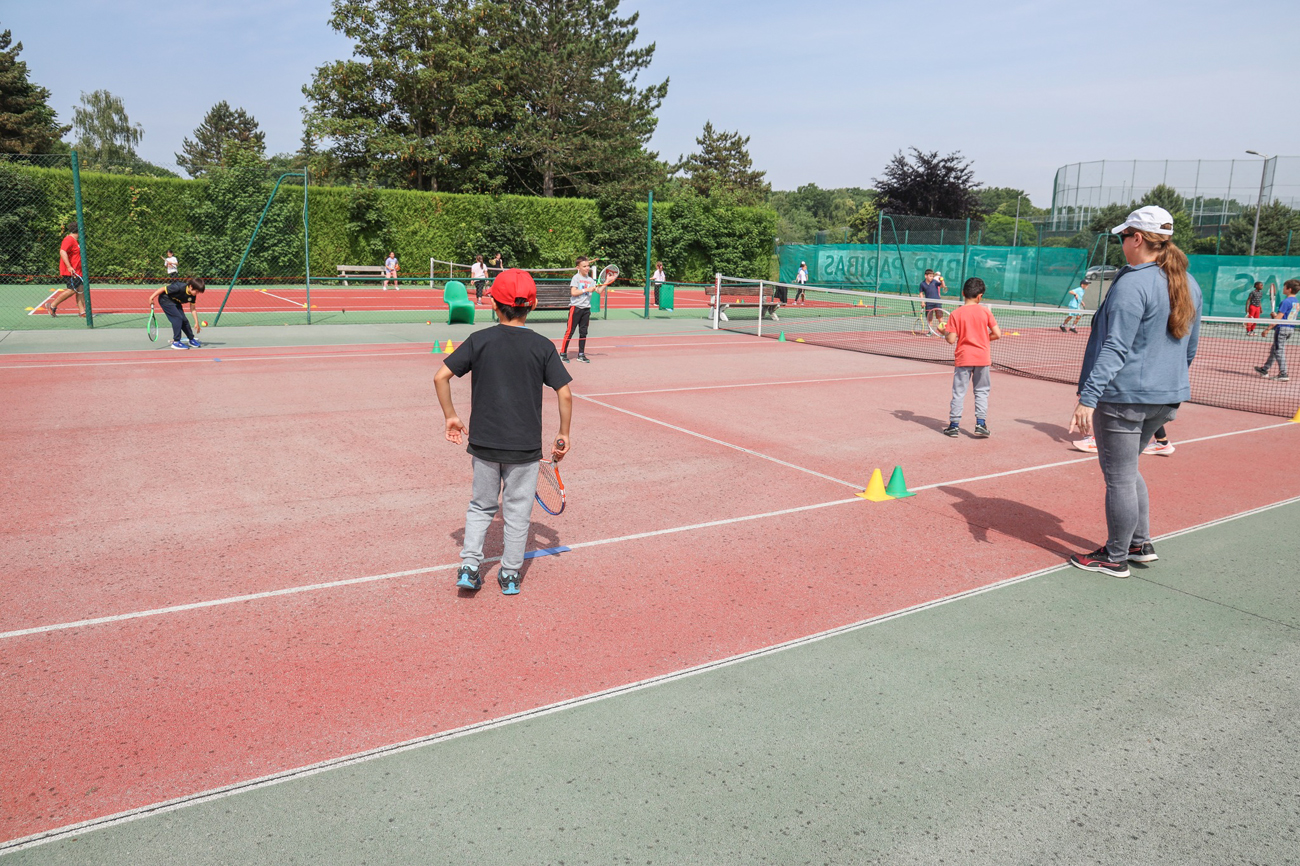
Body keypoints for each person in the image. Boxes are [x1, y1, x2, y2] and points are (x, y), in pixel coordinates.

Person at [1067, 205, 1202, 578]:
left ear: (1138, 239)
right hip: (1165, 397)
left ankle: (1115, 556)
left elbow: (1115, 347)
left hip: (1124, 397)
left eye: (1125, 236)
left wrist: (1088, 398)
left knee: (1119, 476)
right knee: (1128, 470)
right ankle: (1139, 543)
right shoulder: (1188, 282)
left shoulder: (1132, 282)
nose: (1122, 242)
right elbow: (1189, 347)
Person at [433, 269, 573, 596]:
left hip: (483, 444)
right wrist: (563, 434)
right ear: (533, 305)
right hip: (524, 449)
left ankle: (469, 566)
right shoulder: (542, 346)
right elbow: (564, 393)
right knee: (518, 512)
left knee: (481, 507)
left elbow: (441, 377)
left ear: (492, 303)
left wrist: (451, 417)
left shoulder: (479, 340)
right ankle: (509, 575)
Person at [942, 277, 1001, 438]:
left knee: (959, 392)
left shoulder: (955, 314)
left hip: (964, 358)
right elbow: (997, 334)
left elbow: (951, 339)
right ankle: (980, 424)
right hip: (982, 358)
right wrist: (982, 338)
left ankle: (954, 426)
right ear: (980, 296)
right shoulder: (985, 312)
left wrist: (944, 333)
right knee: (982, 392)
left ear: (963, 293)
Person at [560, 255, 612, 363]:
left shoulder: (591, 280)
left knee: (583, 332)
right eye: (584, 266)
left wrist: (607, 281)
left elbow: (598, 290)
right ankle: (563, 353)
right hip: (576, 308)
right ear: (578, 267)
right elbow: (573, 292)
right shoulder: (576, 278)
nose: (587, 268)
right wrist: (586, 289)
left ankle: (581, 354)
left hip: (586, 309)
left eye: (588, 266)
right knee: (570, 331)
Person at [1254, 278, 1298, 382]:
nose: (1283, 288)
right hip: (1290, 329)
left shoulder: (1285, 302)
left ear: (1289, 289)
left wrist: (1267, 329)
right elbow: (1287, 317)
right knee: (1274, 350)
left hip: (1282, 329)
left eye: (1284, 287)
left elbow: (1279, 319)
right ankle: (1264, 369)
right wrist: (1275, 316)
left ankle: (1283, 373)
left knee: (1279, 351)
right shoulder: (1296, 302)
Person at [147, 277, 205, 349]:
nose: (197, 293)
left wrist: (197, 322)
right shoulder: (178, 287)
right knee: (177, 318)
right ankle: (176, 342)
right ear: (191, 287)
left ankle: (191, 339)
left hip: (175, 302)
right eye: (197, 291)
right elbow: (162, 289)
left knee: (184, 320)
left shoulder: (192, 295)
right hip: (165, 300)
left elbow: (193, 308)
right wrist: (151, 298)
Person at [45, 222, 85, 318]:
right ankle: (52, 305)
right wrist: (69, 267)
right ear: (78, 230)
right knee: (72, 290)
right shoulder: (69, 239)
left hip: (77, 271)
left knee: (80, 290)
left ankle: (82, 312)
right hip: (71, 271)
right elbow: (62, 251)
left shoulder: (75, 241)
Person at [918, 268, 945, 333]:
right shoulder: (922, 284)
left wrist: (942, 280)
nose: (931, 277)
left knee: (940, 317)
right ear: (926, 276)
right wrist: (922, 302)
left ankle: (944, 330)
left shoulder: (935, 282)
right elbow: (921, 293)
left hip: (937, 302)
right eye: (930, 276)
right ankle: (930, 331)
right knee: (929, 318)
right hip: (929, 303)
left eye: (932, 276)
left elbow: (943, 286)